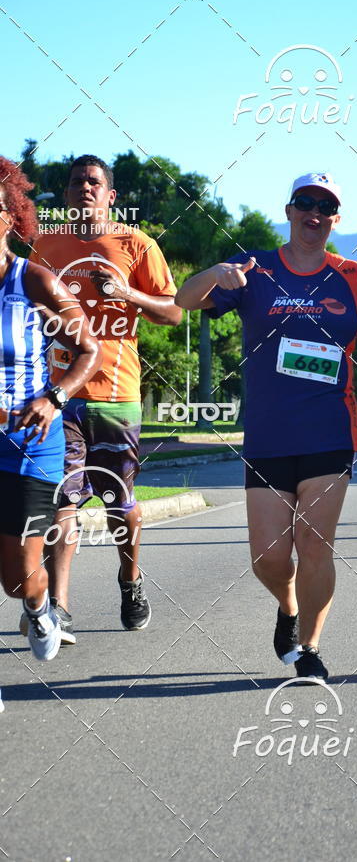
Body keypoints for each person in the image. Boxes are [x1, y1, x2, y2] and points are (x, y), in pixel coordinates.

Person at [176, 173, 357, 681]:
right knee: (269, 559)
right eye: (305, 203)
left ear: (336, 219)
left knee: (315, 545)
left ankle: (310, 648)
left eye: (326, 206)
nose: (314, 212)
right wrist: (218, 272)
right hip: (269, 437)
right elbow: (184, 299)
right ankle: (287, 606)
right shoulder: (255, 270)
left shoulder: (355, 277)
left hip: (329, 433)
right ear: (289, 210)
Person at [26, 155, 181, 643]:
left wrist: (128, 295)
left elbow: (174, 313)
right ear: (67, 194)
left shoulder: (137, 243)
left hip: (118, 395)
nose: (85, 188)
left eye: (95, 182)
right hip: (60, 392)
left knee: (118, 501)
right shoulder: (45, 245)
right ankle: (60, 607)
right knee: (62, 501)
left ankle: (130, 580)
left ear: (111, 195)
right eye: (77, 183)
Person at [0, 158, 101, 710]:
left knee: (19, 578)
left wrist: (54, 397)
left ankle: (38, 609)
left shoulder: (33, 279)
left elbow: (90, 349)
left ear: (11, 217)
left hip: (29, 440)